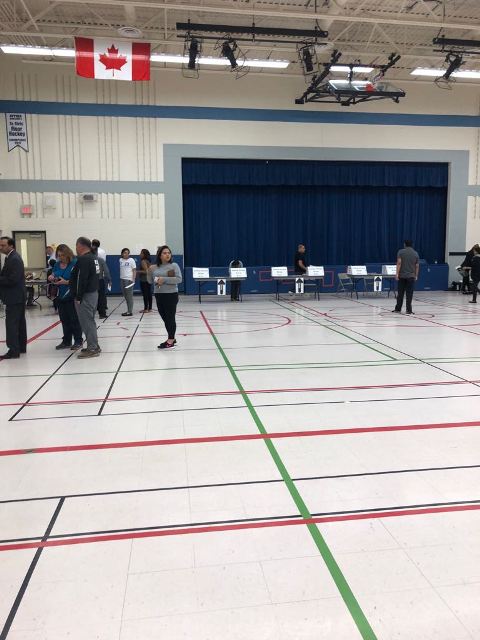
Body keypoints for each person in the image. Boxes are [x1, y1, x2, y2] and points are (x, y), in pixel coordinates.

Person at [70, 237, 100, 358]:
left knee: (87, 322)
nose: (76, 249)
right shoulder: (93, 257)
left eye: (76, 246)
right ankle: (94, 345)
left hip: (86, 295)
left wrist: (78, 296)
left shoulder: (84, 259)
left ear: (80, 246)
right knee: (90, 321)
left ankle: (92, 348)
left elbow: (81, 279)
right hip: (93, 293)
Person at [49, 244, 83, 350]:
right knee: (64, 319)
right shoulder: (57, 264)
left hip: (71, 295)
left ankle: (78, 340)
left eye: (63, 255)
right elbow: (54, 274)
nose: (61, 257)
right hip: (60, 296)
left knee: (74, 319)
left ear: (68, 254)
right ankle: (66, 340)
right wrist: (52, 277)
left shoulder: (75, 263)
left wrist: (66, 282)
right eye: (59, 255)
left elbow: (79, 280)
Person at [150, 245, 182, 349]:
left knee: (170, 318)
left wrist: (163, 279)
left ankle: (171, 339)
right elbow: (150, 281)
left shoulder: (174, 265)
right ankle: (172, 337)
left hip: (171, 295)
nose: (167, 255)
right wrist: (149, 271)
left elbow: (178, 279)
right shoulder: (154, 267)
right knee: (165, 318)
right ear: (160, 255)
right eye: (164, 253)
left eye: (169, 253)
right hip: (159, 295)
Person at [0, 236, 27, 359]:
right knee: (19, 323)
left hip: (14, 297)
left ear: (11, 246)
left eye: (3, 245)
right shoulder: (10, 257)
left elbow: (13, 279)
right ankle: (20, 347)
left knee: (12, 324)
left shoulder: (14, 259)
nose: (1, 247)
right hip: (17, 296)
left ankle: (13, 350)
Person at [392, 239, 420, 315]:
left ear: (404, 244)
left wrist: (397, 274)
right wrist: (416, 275)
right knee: (409, 294)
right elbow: (417, 266)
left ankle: (398, 309)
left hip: (402, 276)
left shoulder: (400, 252)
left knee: (400, 294)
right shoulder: (415, 253)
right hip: (411, 276)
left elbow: (399, 263)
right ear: (412, 245)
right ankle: (409, 310)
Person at [92, 244, 111, 319]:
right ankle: (102, 313)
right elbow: (106, 271)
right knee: (101, 297)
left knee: (91, 297)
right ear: (97, 252)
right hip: (99, 280)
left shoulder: (86, 260)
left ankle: (91, 313)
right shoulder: (100, 260)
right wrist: (109, 279)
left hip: (90, 281)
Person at [119, 248, 136, 317]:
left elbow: (134, 270)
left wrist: (133, 279)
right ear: (122, 253)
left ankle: (130, 311)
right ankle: (128, 310)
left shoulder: (131, 260)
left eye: (128, 253)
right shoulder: (120, 260)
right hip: (122, 279)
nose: (126, 254)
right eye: (125, 253)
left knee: (129, 296)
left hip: (129, 280)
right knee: (125, 296)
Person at [138, 249, 153, 313]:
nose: (140, 254)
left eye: (141, 253)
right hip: (148, 279)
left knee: (145, 294)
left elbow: (146, 271)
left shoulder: (143, 261)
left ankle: (146, 309)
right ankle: (150, 308)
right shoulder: (148, 261)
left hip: (144, 280)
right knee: (149, 293)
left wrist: (138, 271)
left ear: (144, 254)